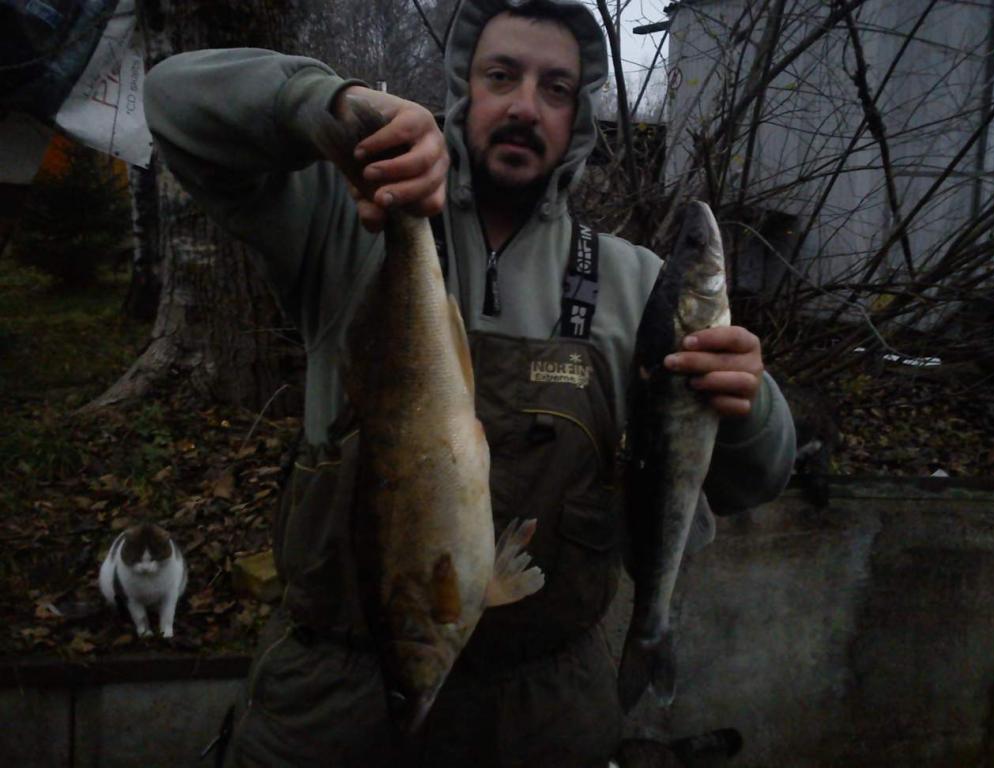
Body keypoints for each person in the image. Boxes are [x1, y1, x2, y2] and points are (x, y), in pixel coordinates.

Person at [144, 1, 796, 766]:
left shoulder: (640, 288)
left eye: (556, 88)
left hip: (545, 717)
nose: (525, 106)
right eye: (501, 76)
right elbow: (173, 103)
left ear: (580, 119)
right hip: (330, 710)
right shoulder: (348, 221)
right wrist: (329, 107)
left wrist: (748, 408)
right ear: (462, 90)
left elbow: (755, 480)